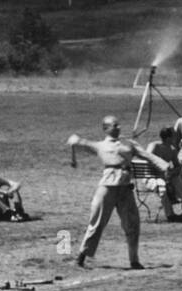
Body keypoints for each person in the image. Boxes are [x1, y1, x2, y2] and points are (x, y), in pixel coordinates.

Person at [66, 115, 167, 270]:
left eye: (118, 125)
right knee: (97, 222)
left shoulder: (129, 144)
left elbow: (147, 155)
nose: (118, 127)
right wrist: (74, 142)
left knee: (133, 224)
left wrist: (164, 165)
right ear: (106, 129)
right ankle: (81, 257)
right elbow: (79, 142)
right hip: (107, 187)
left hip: (125, 188)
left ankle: (134, 260)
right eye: (114, 125)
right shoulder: (99, 145)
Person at [145, 127, 182, 221]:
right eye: (174, 136)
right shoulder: (154, 146)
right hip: (151, 177)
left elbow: (177, 166)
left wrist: (176, 169)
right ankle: (170, 215)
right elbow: (148, 159)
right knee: (161, 186)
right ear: (168, 138)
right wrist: (163, 168)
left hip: (165, 177)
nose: (176, 138)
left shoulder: (172, 149)